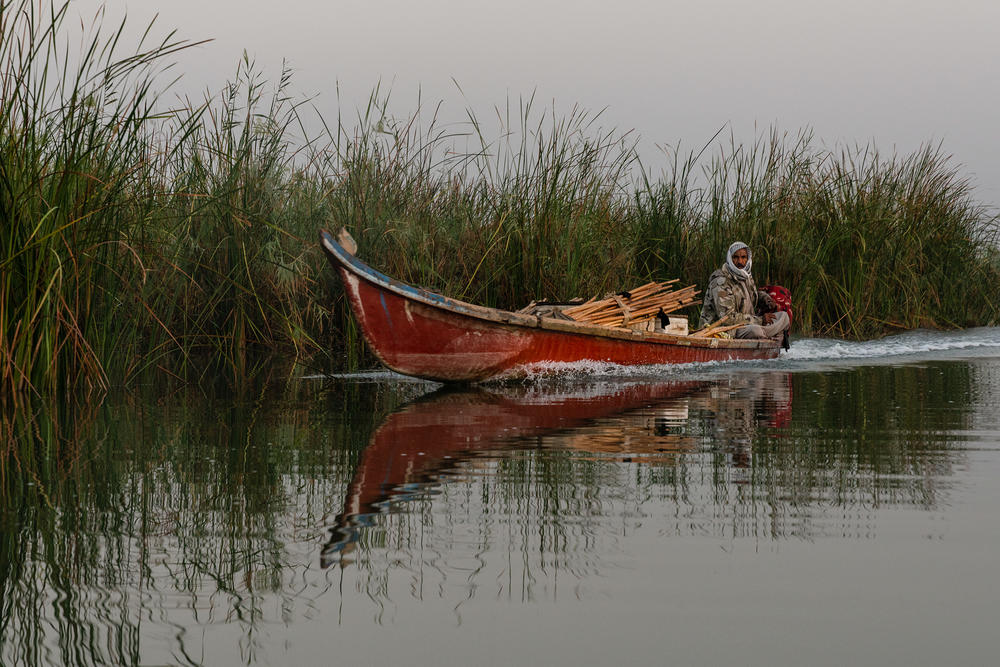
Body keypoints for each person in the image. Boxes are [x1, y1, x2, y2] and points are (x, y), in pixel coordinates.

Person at [699, 242, 790, 340]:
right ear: (730, 258)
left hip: (746, 324)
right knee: (756, 331)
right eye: (735, 257)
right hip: (724, 330)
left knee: (784, 316)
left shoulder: (746, 276)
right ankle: (768, 334)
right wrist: (760, 320)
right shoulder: (720, 282)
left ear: (748, 259)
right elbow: (727, 318)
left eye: (743, 257)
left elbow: (750, 296)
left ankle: (766, 333)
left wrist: (765, 299)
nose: (740, 261)